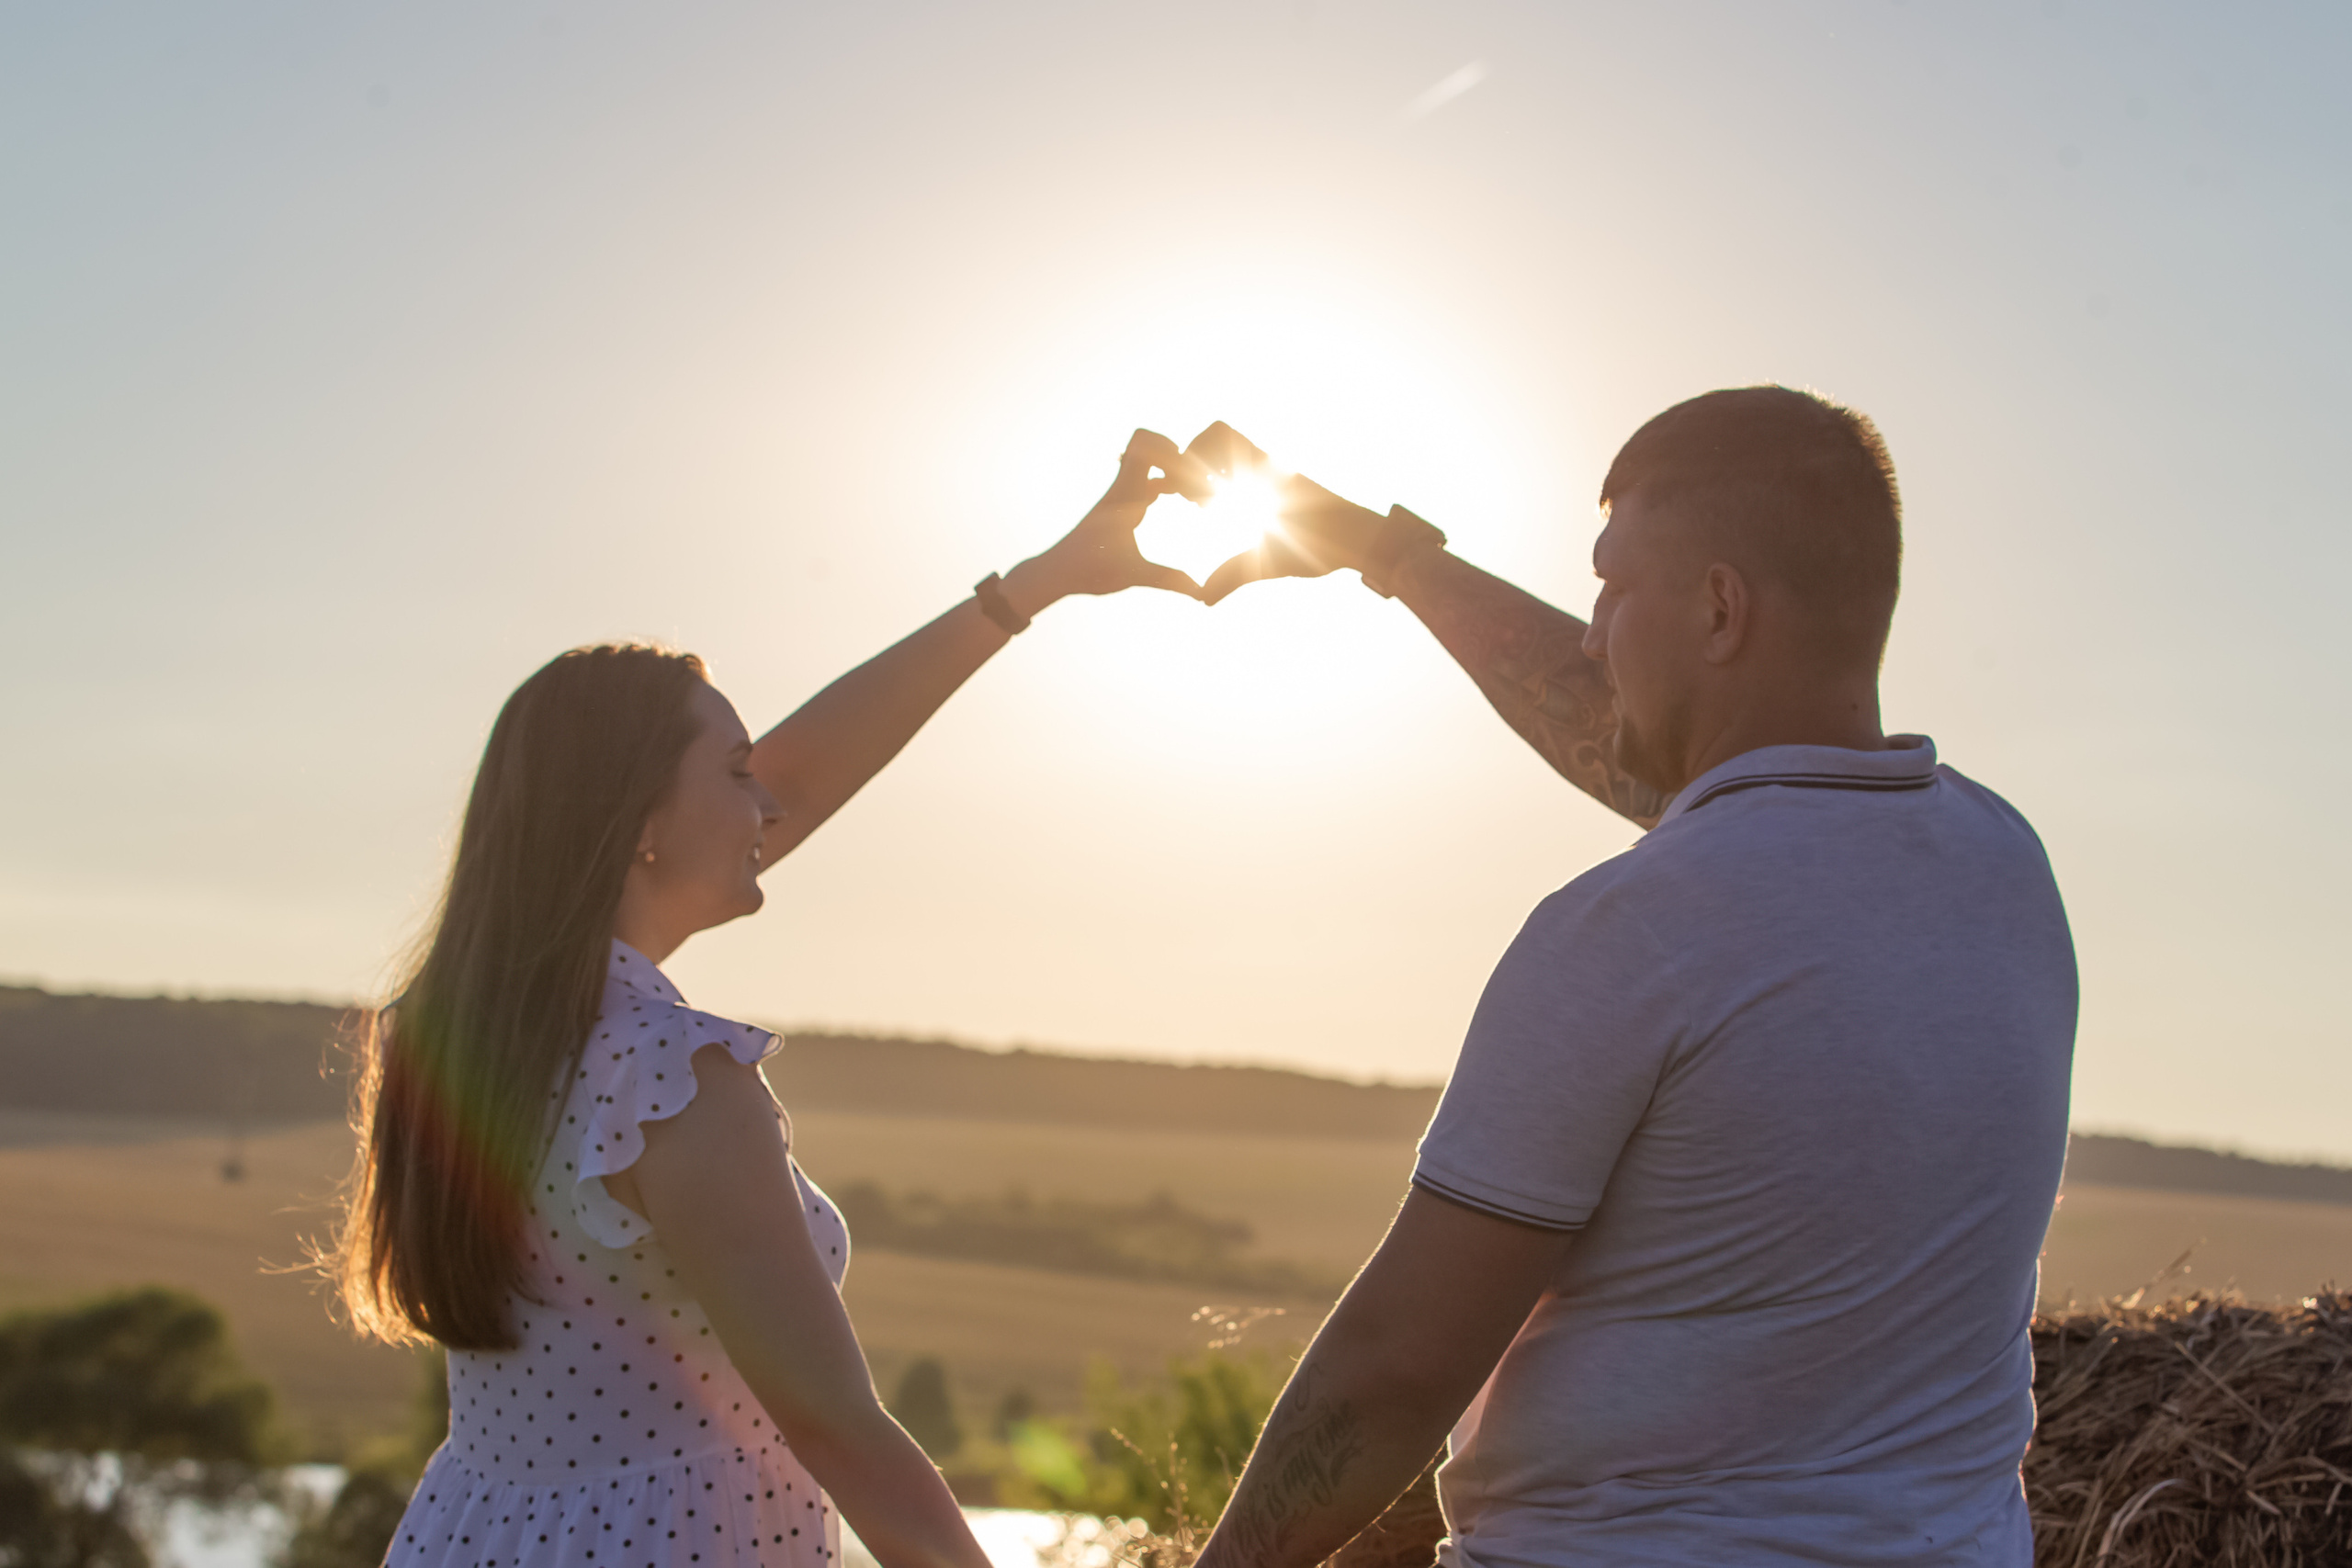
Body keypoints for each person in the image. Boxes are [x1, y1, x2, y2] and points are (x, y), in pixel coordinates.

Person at [1183, 389, 2077, 1568]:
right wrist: (1383, 555)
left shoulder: (1627, 933)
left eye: (1612, 587)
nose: (1594, 634)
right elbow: (1695, 768)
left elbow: (1393, 1373)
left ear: (1718, 607)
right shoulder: (2000, 866)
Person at [331, 432, 1207, 1568]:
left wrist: (1032, 586)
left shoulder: (458, 1037)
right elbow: (841, 1430)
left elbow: (787, 783)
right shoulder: (671, 1083)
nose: (770, 806)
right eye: (735, 773)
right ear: (641, 828)